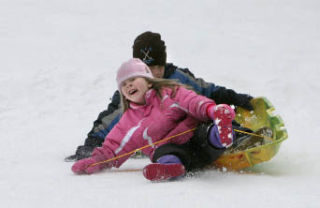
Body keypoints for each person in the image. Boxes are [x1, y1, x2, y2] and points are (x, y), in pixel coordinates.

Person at [65, 31, 253, 162]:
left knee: (209, 120)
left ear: (164, 62)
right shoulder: (132, 95)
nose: (153, 73)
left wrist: (238, 99)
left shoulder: (178, 77)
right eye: (147, 68)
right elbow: (110, 120)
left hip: (194, 130)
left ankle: (243, 136)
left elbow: (209, 91)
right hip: (166, 144)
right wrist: (92, 144)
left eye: (157, 66)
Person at [72, 58, 237, 181]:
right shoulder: (128, 119)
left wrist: (212, 110)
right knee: (161, 153)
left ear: (149, 82)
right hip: (174, 150)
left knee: (206, 131)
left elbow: (192, 101)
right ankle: (169, 167)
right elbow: (114, 146)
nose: (128, 86)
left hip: (196, 137)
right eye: (124, 85)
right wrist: (96, 161)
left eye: (133, 80)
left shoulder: (169, 92)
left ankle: (221, 133)